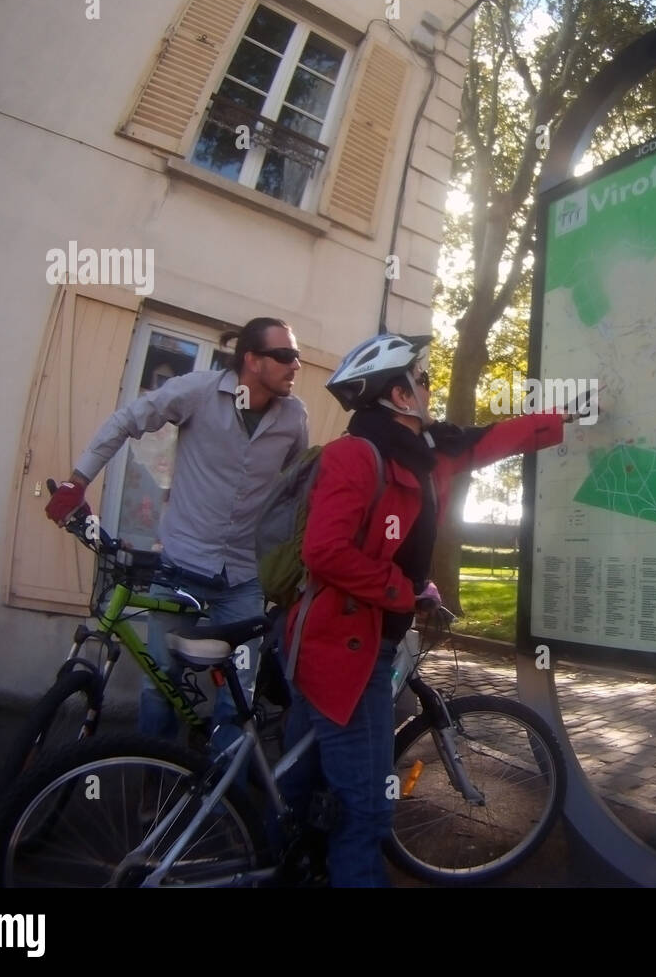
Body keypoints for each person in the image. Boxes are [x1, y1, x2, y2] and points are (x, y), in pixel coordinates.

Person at [280, 331, 590, 887]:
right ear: (399, 396)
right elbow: (324, 551)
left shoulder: (429, 455)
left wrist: (567, 417)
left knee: (301, 788)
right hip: (341, 652)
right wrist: (401, 591)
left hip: (359, 643)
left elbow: (496, 439)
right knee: (367, 811)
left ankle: (282, 864)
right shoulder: (354, 456)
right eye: (422, 380)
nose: (430, 387)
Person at [45, 317, 308, 749]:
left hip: (243, 578)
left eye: (296, 355)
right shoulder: (198, 392)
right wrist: (78, 481)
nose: (295, 365)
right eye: (285, 356)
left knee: (236, 697)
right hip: (180, 567)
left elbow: (293, 490)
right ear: (253, 360)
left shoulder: (294, 417)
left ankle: (222, 807)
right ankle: (157, 785)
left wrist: (290, 560)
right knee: (159, 685)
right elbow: (127, 420)